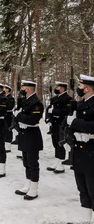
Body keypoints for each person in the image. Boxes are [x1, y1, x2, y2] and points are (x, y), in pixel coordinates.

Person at [65, 74, 94, 221]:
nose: (79, 89)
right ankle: (86, 219)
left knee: (92, 189)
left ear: (87, 88)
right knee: (82, 188)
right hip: (79, 152)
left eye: (81, 86)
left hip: (91, 152)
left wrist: (75, 122)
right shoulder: (80, 103)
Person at [14, 80, 44, 201]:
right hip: (24, 134)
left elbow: (32, 119)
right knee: (26, 162)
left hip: (32, 135)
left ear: (28, 88)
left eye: (23, 87)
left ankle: (34, 188)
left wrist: (19, 115)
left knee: (32, 163)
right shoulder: (25, 101)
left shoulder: (36, 103)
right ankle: (28, 184)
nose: (22, 89)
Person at [46, 81, 72, 174]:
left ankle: (61, 164)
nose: (56, 88)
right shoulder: (54, 98)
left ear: (63, 89)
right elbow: (49, 110)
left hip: (61, 124)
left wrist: (54, 111)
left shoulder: (68, 99)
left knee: (60, 143)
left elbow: (66, 111)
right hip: (54, 124)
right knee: (55, 143)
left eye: (58, 87)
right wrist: (48, 119)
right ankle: (57, 161)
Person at [4, 85, 15, 153]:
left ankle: (8, 147)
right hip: (5, 115)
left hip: (8, 115)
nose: (4, 89)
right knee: (5, 130)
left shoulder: (10, 98)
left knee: (8, 130)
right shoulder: (5, 97)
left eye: (5, 88)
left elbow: (10, 107)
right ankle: (6, 144)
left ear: (8, 90)